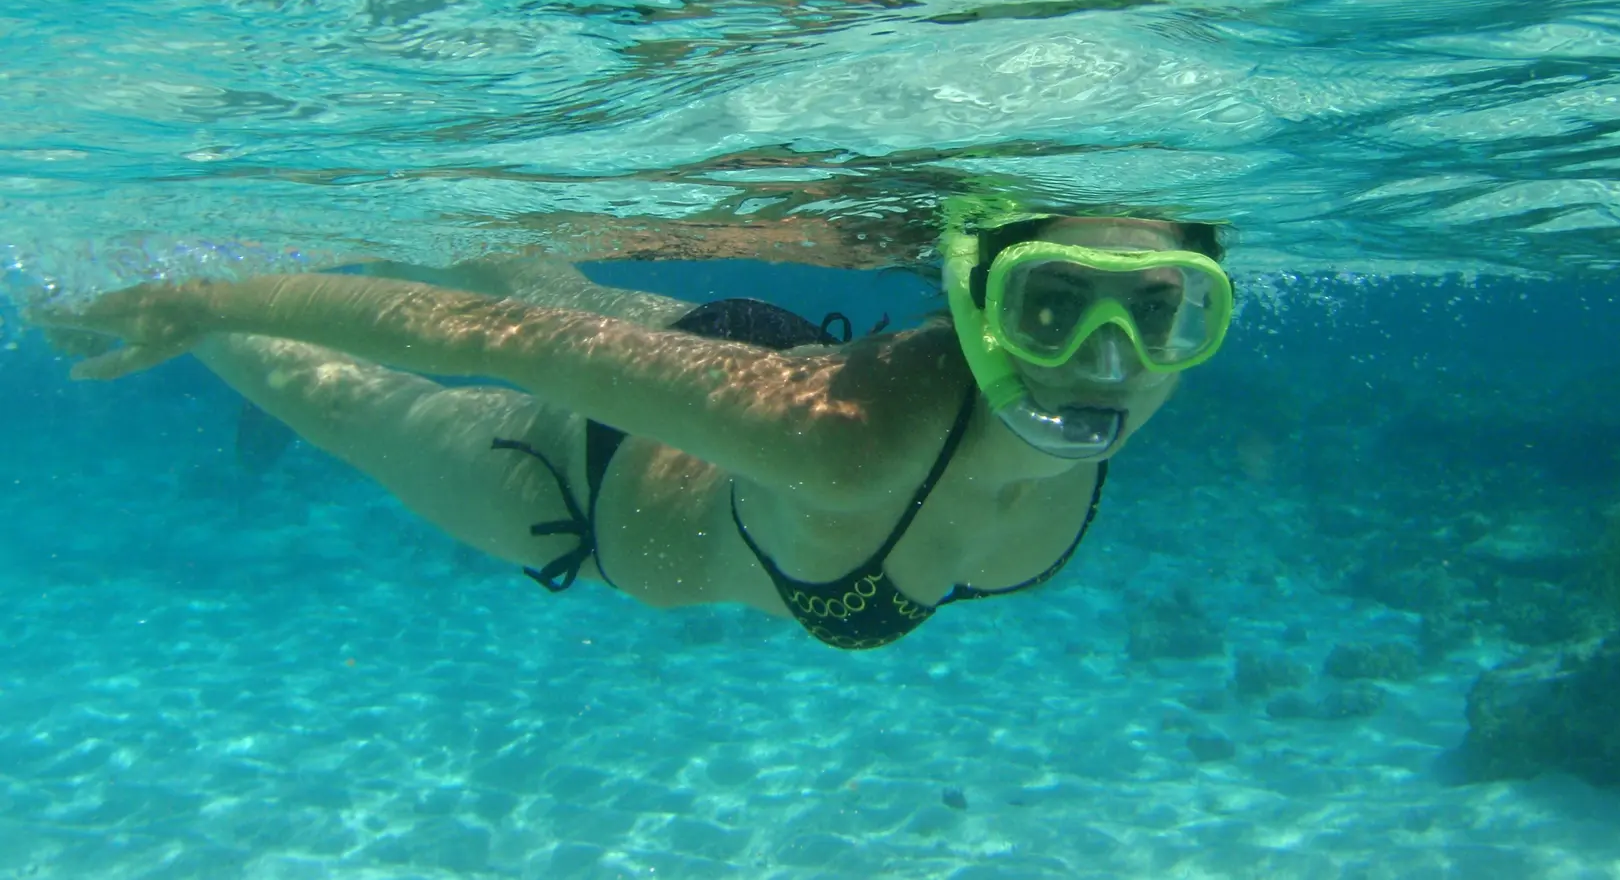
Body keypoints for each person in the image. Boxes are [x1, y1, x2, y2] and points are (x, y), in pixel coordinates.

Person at [39, 210, 1235, 649]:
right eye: (1048, 305)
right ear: (978, 302)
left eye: (1165, 313)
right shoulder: (844, 443)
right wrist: (218, 301)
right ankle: (129, 270)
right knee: (326, 394)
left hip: (745, 353)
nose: (1110, 365)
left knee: (501, 250)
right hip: (573, 478)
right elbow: (479, 338)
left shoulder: (1120, 399)